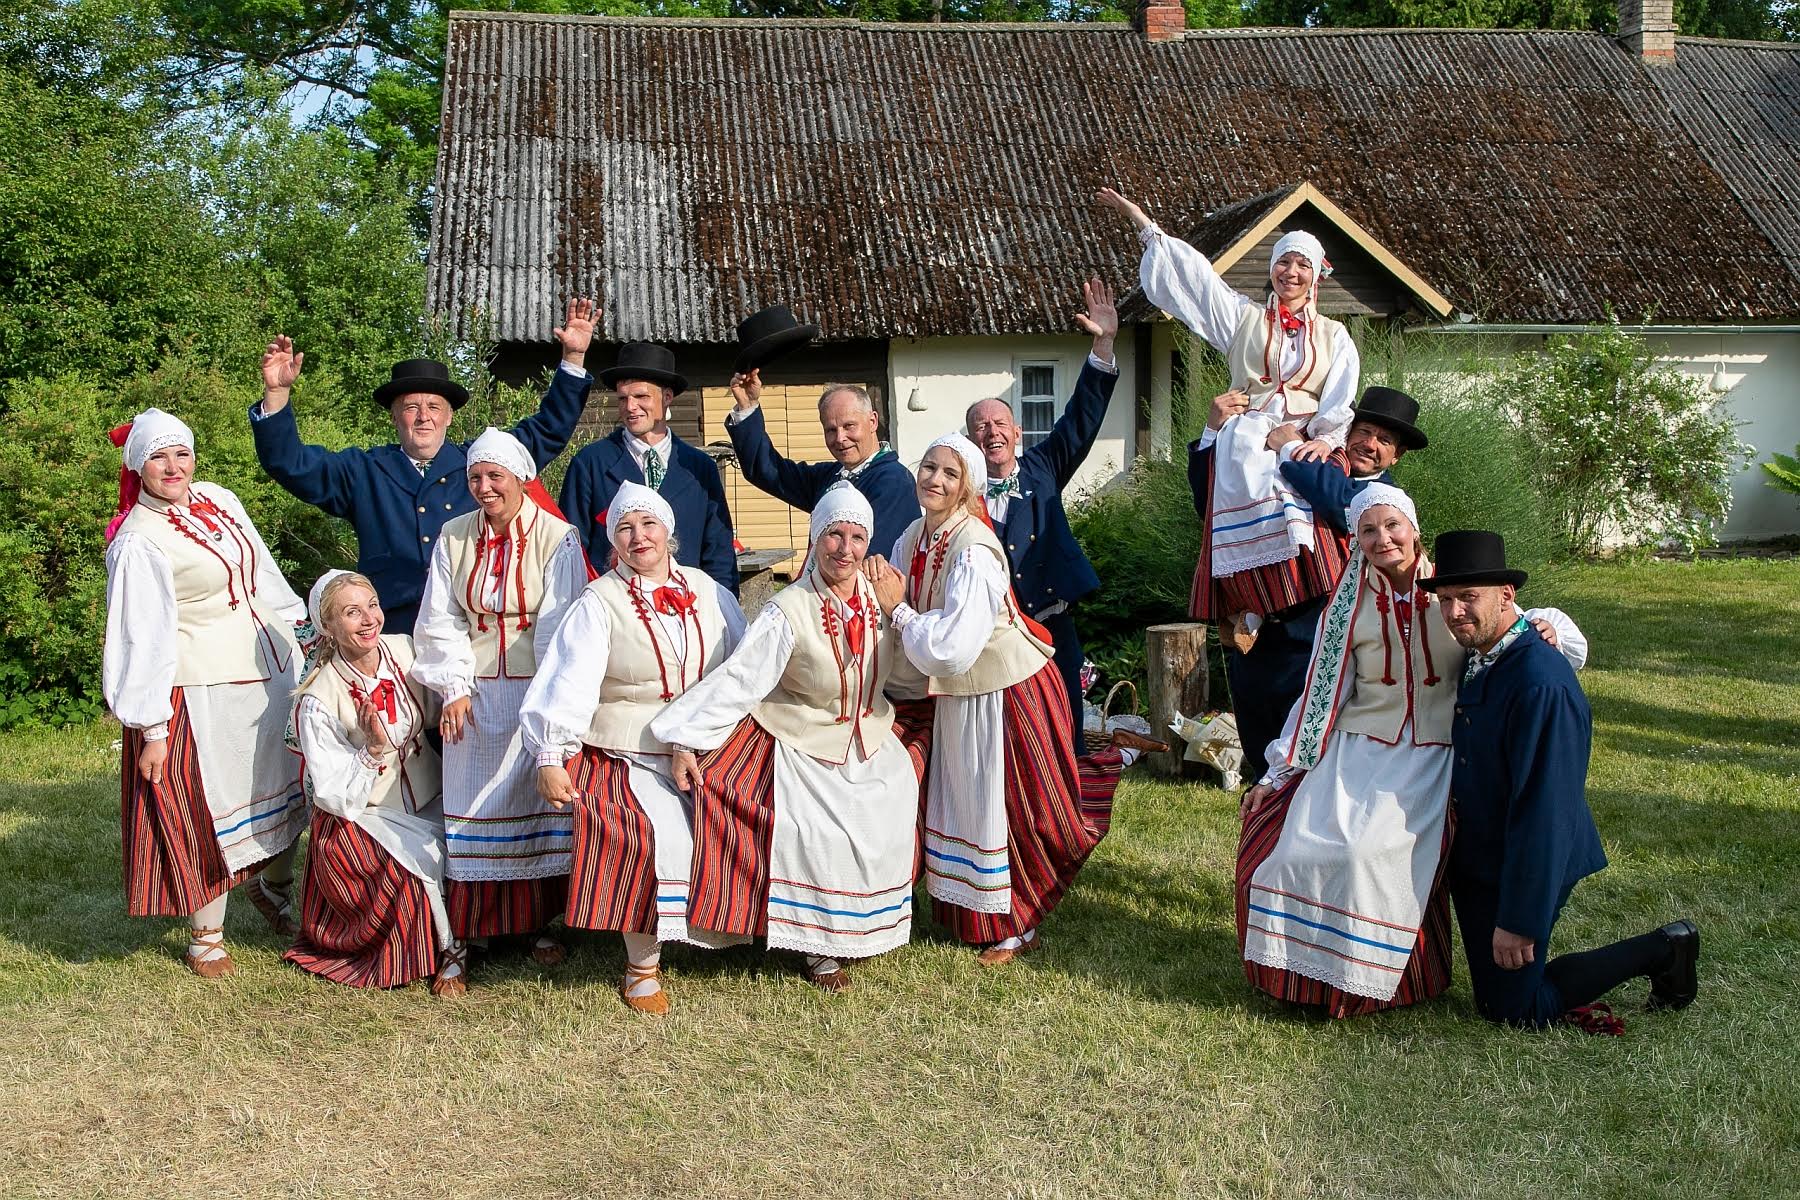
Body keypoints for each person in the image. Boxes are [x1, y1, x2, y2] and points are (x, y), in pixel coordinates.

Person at [1236, 486, 1585, 1017]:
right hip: (1360, 749)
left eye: (1392, 526)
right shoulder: (1347, 605)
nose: (1383, 539)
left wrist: (1550, 626)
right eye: (1368, 531)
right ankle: (1308, 981)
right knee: (1297, 852)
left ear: (1414, 529)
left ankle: (1376, 979)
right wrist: (1281, 769)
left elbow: (1510, 616)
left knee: (1366, 857)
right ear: (1356, 540)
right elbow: (1321, 690)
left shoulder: (1452, 588)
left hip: (1434, 750)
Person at [1098, 187, 1358, 784]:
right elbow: (1196, 284)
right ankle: (1246, 606)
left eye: (1302, 264)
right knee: (1235, 460)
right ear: (1272, 270)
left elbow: (1339, 399)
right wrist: (1144, 224)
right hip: (1245, 434)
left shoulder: (1335, 338)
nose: (1290, 272)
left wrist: (1320, 437)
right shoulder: (1245, 321)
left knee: (1304, 511)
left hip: (1298, 439)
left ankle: (1299, 609)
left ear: (1318, 275)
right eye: (1283, 261)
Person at [651, 483, 924, 993]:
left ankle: (859, 928)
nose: (845, 549)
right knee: (814, 828)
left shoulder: (880, 594)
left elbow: (908, 661)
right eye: (834, 535)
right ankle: (818, 946)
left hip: (869, 732)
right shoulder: (787, 609)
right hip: (802, 735)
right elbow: (740, 680)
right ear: (815, 538)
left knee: (890, 802)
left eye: (857, 537)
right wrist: (682, 736)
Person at [1423, 531, 1700, 1031]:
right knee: (1496, 996)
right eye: (1446, 599)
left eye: (1469, 597)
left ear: (1508, 596)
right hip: (1485, 855)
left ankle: (1666, 948)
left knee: (1515, 1010)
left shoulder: (1539, 682)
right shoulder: (1480, 653)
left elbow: (1545, 809)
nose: (1455, 611)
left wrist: (1520, 919)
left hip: (1530, 859)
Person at [865, 434, 1123, 964]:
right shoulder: (915, 535)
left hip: (1007, 692)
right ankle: (975, 911)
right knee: (969, 802)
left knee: (1012, 807)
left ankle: (1018, 922)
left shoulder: (975, 549)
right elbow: (892, 596)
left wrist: (899, 612)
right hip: (962, 696)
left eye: (949, 474)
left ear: (967, 489)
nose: (934, 479)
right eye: (929, 467)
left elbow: (954, 647)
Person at [519, 483, 747, 1015]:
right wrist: (551, 754)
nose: (638, 537)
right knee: (649, 832)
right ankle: (642, 963)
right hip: (626, 746)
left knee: (748, 812)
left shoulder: (709, 590)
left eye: (648, 525)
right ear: (612, 541)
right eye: (625, 528)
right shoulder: (599, 603)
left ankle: (750, 929)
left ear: (669, 530)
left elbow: (740, 667)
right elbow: (568, 680)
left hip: (706, 741)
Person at [102, 408, 308, 977]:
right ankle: (206, 935)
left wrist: (305, 635)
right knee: (208, 808)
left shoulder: (218, 500)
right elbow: (139, 635)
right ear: (137, 465)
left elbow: (263, 574)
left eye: (182, 453)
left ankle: (272, 888)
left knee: (286, 786)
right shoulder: (139, 542)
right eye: (159, 456)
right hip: (197, 688)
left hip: (269, 670)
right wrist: (152, 728)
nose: (173, 466)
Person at [251, 298, 600, 632]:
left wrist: (573, 357)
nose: (423, 418)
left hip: (468, 631)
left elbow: (547, 429)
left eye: (434, 407)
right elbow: (290, 463)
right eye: (410, 407)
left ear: (449, 416)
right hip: (390, 630)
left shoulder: (478, 465)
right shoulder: (363, 471)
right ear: (393, 416)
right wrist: (277, 394)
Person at [411, 427, 588, 970]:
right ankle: (471, 931)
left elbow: (564, 624)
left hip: (539, 691)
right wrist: (455, 688)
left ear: (521, 480)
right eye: (475, 478)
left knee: (533, 805)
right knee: (472, 806)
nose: (484, 488)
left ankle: (537, 924)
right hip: (476, 689)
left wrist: (549, 699)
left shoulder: (559, 538)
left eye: (495, 477)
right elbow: (440, 619)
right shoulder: (453, 535)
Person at [285, 571, 465, 996]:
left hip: (431, 792)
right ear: (329, 627)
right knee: (418, 871)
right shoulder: (319, 698)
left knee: (477, 843)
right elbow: (332, 793)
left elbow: (446, 699)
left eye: (372, 605)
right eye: (351, 613)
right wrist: (371, 749)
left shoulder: (405, 650)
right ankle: (451, 952)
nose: (368, 619)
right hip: (366, 813)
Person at [966, 278, 1122, 740]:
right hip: (993, 636)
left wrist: (1104, 345)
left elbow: (1081, 419)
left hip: (1052, 624)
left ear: (1016, 432)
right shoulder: (963, 491)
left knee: (1063, 731)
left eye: (999, 423)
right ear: (970, 439)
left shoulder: (1044, 465)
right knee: (1004, 737)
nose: (990, 432)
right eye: (979, 427)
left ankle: (1066, 809)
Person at [725, 305, 920, 560]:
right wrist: (748, 406)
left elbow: (864, 562)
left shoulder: (894, 481)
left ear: (872, 421)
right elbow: (769, 472)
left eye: (849, 426)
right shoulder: (829, 476)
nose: (840, 438)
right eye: (831, 429)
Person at [560, 341, 739, 596]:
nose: (630, 407)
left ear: (667, 397)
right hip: (616, 613)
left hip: (686, 611)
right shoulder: (590, 464)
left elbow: (719, 552)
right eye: (623, 398)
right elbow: (571, 553)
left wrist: (722, 613)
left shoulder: (700, 468)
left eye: (641, 396)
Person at [1271, 386, 1428, 534]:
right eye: (1364, 431)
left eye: (1384, 440)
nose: (1369, 445)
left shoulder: (1389, 497)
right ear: (1346, 431)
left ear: (1397, 455)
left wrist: (1292, 448)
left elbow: (1342, 502)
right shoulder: (1327, 459)